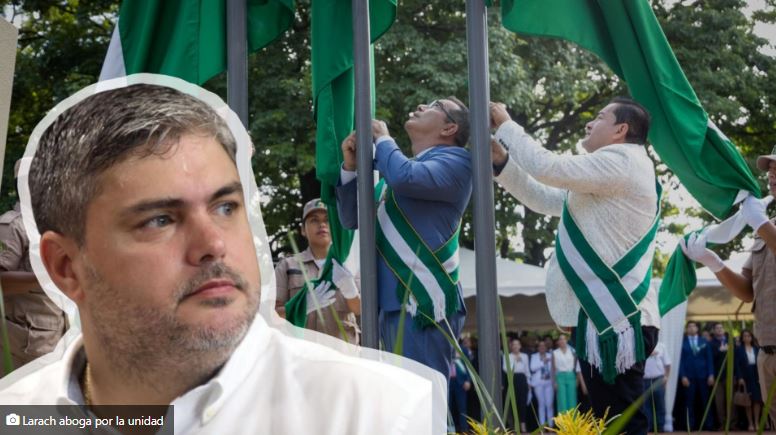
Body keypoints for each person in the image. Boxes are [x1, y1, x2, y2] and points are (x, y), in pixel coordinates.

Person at [0, 81, 435, 434]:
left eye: (226, 207)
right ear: (65, 267)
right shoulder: (18, 418)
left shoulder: (379, 415)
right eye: (158, 220)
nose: (214, 243)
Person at [490, 97, 660, 435]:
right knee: (609, 420)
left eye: (599, 117)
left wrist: (507, 125)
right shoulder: (610, 172)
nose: (589, 123)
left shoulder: (621, 161)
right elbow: (545, 199)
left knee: (620, 424)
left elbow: (547, 167)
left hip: (615, 320)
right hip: (606, 320)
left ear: (620, 130)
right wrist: (505, 164)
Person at [336, 97, 472, 378]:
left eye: (435, 105)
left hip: (421, 301)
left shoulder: (458, 161)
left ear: (450, 128)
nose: (422, 106)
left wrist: (383, 139)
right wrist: (350, 167)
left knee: (425, 405)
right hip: (387, 303)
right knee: (400, 409)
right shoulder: (398, 171)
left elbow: (405, 178)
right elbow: (352, 218)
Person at [681, 145, 776, 427]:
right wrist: (713, 262)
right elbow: (747, 291)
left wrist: (759, 223)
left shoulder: (764, 226)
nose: (771, 176)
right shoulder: (766, 226)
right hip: (767, 351)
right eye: (770, 170)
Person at [0, 161, 68, 368]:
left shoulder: (54, 227)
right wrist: (47, 275)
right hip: (21, 347)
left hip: (53, 342)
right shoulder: (12, 225)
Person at [274, 198, 360, 343]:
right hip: (302, 356)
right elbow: (272, 315)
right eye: (314, 220)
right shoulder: (287, 266)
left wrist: (350, 291)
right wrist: (301, 307)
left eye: (327, 219)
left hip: (343, 356)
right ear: (302, 230)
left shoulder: (349, 264)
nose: (322, 224)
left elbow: (362, 311)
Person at [680, 321, 715, 431]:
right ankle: (690, 425)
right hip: (689, 377)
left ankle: (709, 425)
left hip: (704, 376)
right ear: (686, 329)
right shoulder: (682, 343)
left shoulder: (704, 341)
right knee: (689, 402)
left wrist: (711, 374)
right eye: (689, 326)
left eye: (693, 326)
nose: (691, 328)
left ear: (697, 328)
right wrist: (683, 376)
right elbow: (680, 361)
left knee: (706, 401)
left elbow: (709, 359)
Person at [736, 329, 762, 431]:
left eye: (748, 336)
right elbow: (737, 365)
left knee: (757, 400)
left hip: (756, 376)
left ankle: (757, 422)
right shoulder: (739, 350)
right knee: (747, 400)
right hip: (745, 377)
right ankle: (750, 423)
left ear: (752, 337)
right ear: (742, 338)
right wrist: (740, 377)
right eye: (745, 336)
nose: (747, 338)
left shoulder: (757, 349)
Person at [642, 341, 671, 433]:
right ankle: (649, 426)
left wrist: (666, 377)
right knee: (646, 405)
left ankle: (660, 426)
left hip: (658, 379)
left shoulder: (661, 346)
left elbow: (668, 364)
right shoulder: (641, 345)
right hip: (644, 379)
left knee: (660, 403)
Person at [503, 337, 530, 433]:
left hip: (522, 379)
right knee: (513, 402)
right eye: (513, 344)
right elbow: (505, 369)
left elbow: (527, 370)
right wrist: (515, 361)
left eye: (517, 344)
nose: (515, 346)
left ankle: (523, 425)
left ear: (520, 346)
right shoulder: (508, 356)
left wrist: (529, 383)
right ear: (511, 346)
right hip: (512, 379)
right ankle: (515, 425)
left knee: (522, 402)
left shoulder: (525, 356)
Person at [710, 321, 731, 428]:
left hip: (730, 376)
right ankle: (722, 424)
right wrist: (720, 351)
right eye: (717, 328)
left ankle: (732, 424)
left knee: (730, 401)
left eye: (721, 328)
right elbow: (710, 360)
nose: (719, 330)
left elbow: (736, 360)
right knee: (719, 402)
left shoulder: (730, 342)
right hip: (718, 376)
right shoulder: (711, 343)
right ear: (713, 331)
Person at [530, 340, 554, 428]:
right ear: (538, 348)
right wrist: (542, 362)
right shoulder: (534, 356)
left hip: (549, 382)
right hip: (538, 383)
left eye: (544, 346)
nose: (542, 347)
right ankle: (542, 426)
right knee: (541, 403)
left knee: (549, 404)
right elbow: (532, 368)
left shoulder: (550, 356)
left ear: (546, 347)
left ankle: (551, 426)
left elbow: (554, 368)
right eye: (540, 346)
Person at [552, 333, 577, 414]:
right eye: (560, 339)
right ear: (558, 342)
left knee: (572, 399)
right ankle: (563, 423)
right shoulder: (555, 352)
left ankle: (573, 423)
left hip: (570, 375)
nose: (562, 341)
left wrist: (577, 379)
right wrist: (554, 381)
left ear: (566, 340)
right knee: (562, 400)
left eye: (564, 339)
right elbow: (553, 369)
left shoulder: (572, 351)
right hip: (560, 376)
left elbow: (576, 366)